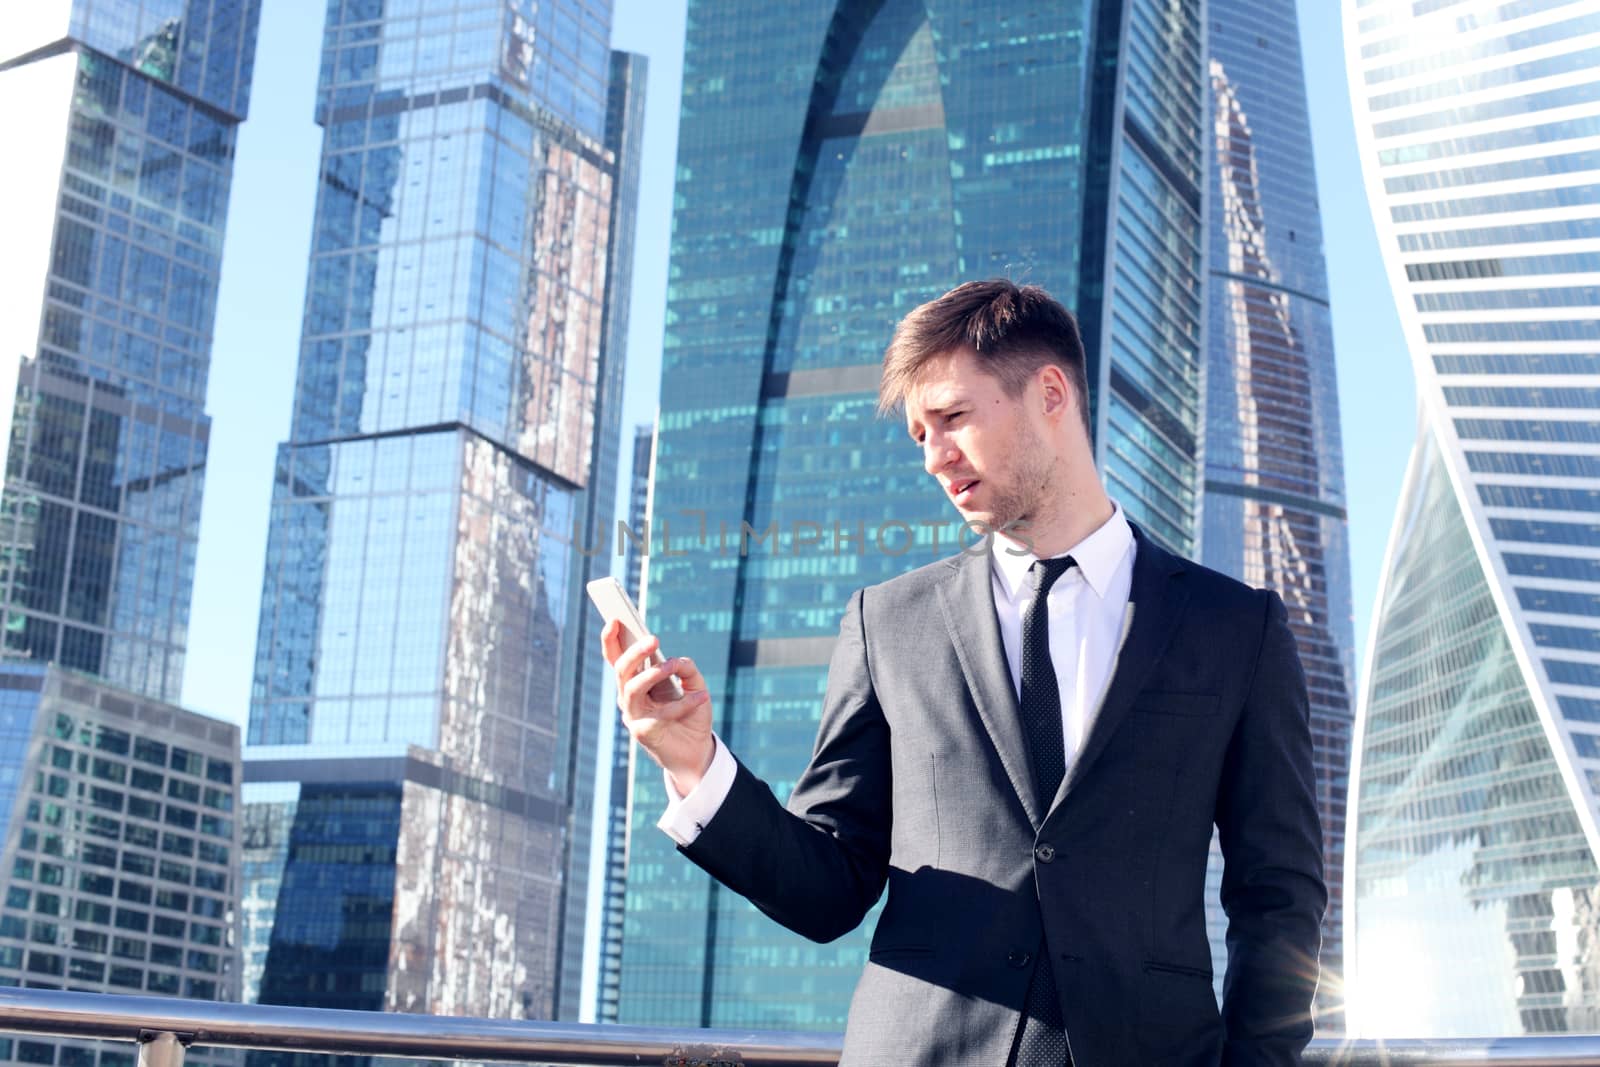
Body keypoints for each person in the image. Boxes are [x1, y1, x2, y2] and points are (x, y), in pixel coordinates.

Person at [602, 280, 1325, 1066]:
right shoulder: (888, 623)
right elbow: (830, 884)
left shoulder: (1236, 628)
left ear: (1050, 392)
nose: (933, 457)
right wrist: (694, 764)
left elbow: (1277, 893)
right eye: (919, 434)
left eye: (951, 418)